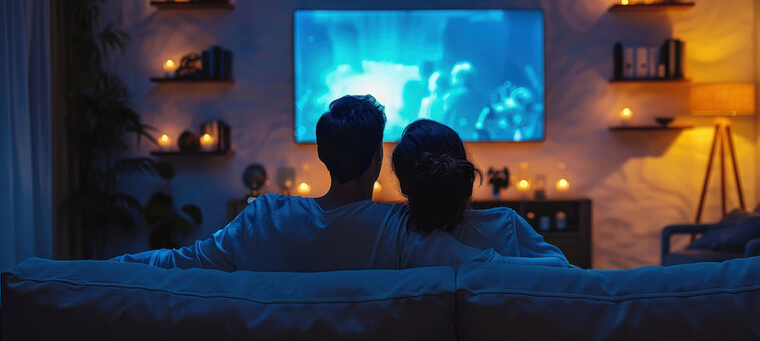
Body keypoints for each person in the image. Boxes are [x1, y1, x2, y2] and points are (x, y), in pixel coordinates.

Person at [112, 95, 567, 271]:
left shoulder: (260, 219)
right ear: (377, 159)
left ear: (321, 156)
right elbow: (494, 269)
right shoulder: (404, 235)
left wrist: (104, 268)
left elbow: (177, 262)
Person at [392, 119, 568, 265]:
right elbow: (563, 270)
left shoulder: (392, 238)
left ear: (404, 185)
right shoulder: (504, 226)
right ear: (463, 176)